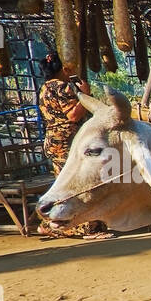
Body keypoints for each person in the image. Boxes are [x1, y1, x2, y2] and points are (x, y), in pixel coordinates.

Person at [36, 52, 110, 239]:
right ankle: (84, 228)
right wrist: (85, 94)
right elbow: (73, 115)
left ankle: (49, 224)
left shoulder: (44, 88)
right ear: (64, 68)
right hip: (66, 142)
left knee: (62, 184)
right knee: (75, 185)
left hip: (53, 140)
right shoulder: (61, 86)